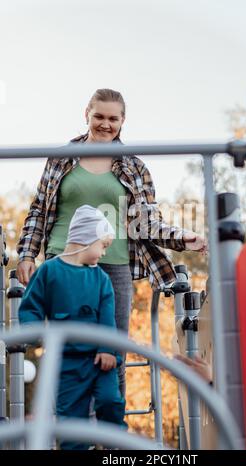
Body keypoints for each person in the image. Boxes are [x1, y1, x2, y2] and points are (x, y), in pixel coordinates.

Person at [16, 88, 207, 396]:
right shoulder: (62, 158)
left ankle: (110, 431)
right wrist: (27, 254)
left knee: (112, 352)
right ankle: (69, 435)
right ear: (86, 115)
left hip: (115, 264)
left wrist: (182, 238)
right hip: (64, 261)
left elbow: (147, 222)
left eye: (113, 119)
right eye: (99, 116)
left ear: (123, 121)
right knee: (67, 352)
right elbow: (39, 209)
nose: (105, 124)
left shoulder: (133, 166)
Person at [18, 205, 127, 450]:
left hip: (101, 359)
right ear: (87, 239)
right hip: (65, 361)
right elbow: (31, 305)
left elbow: (108, 318)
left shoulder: (101, 279)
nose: (104, 252)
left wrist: (108, 349)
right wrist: (37, 333)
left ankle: (117, 448)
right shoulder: (50, 271)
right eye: (103, 245)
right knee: (71, 421)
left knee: (111, 400)